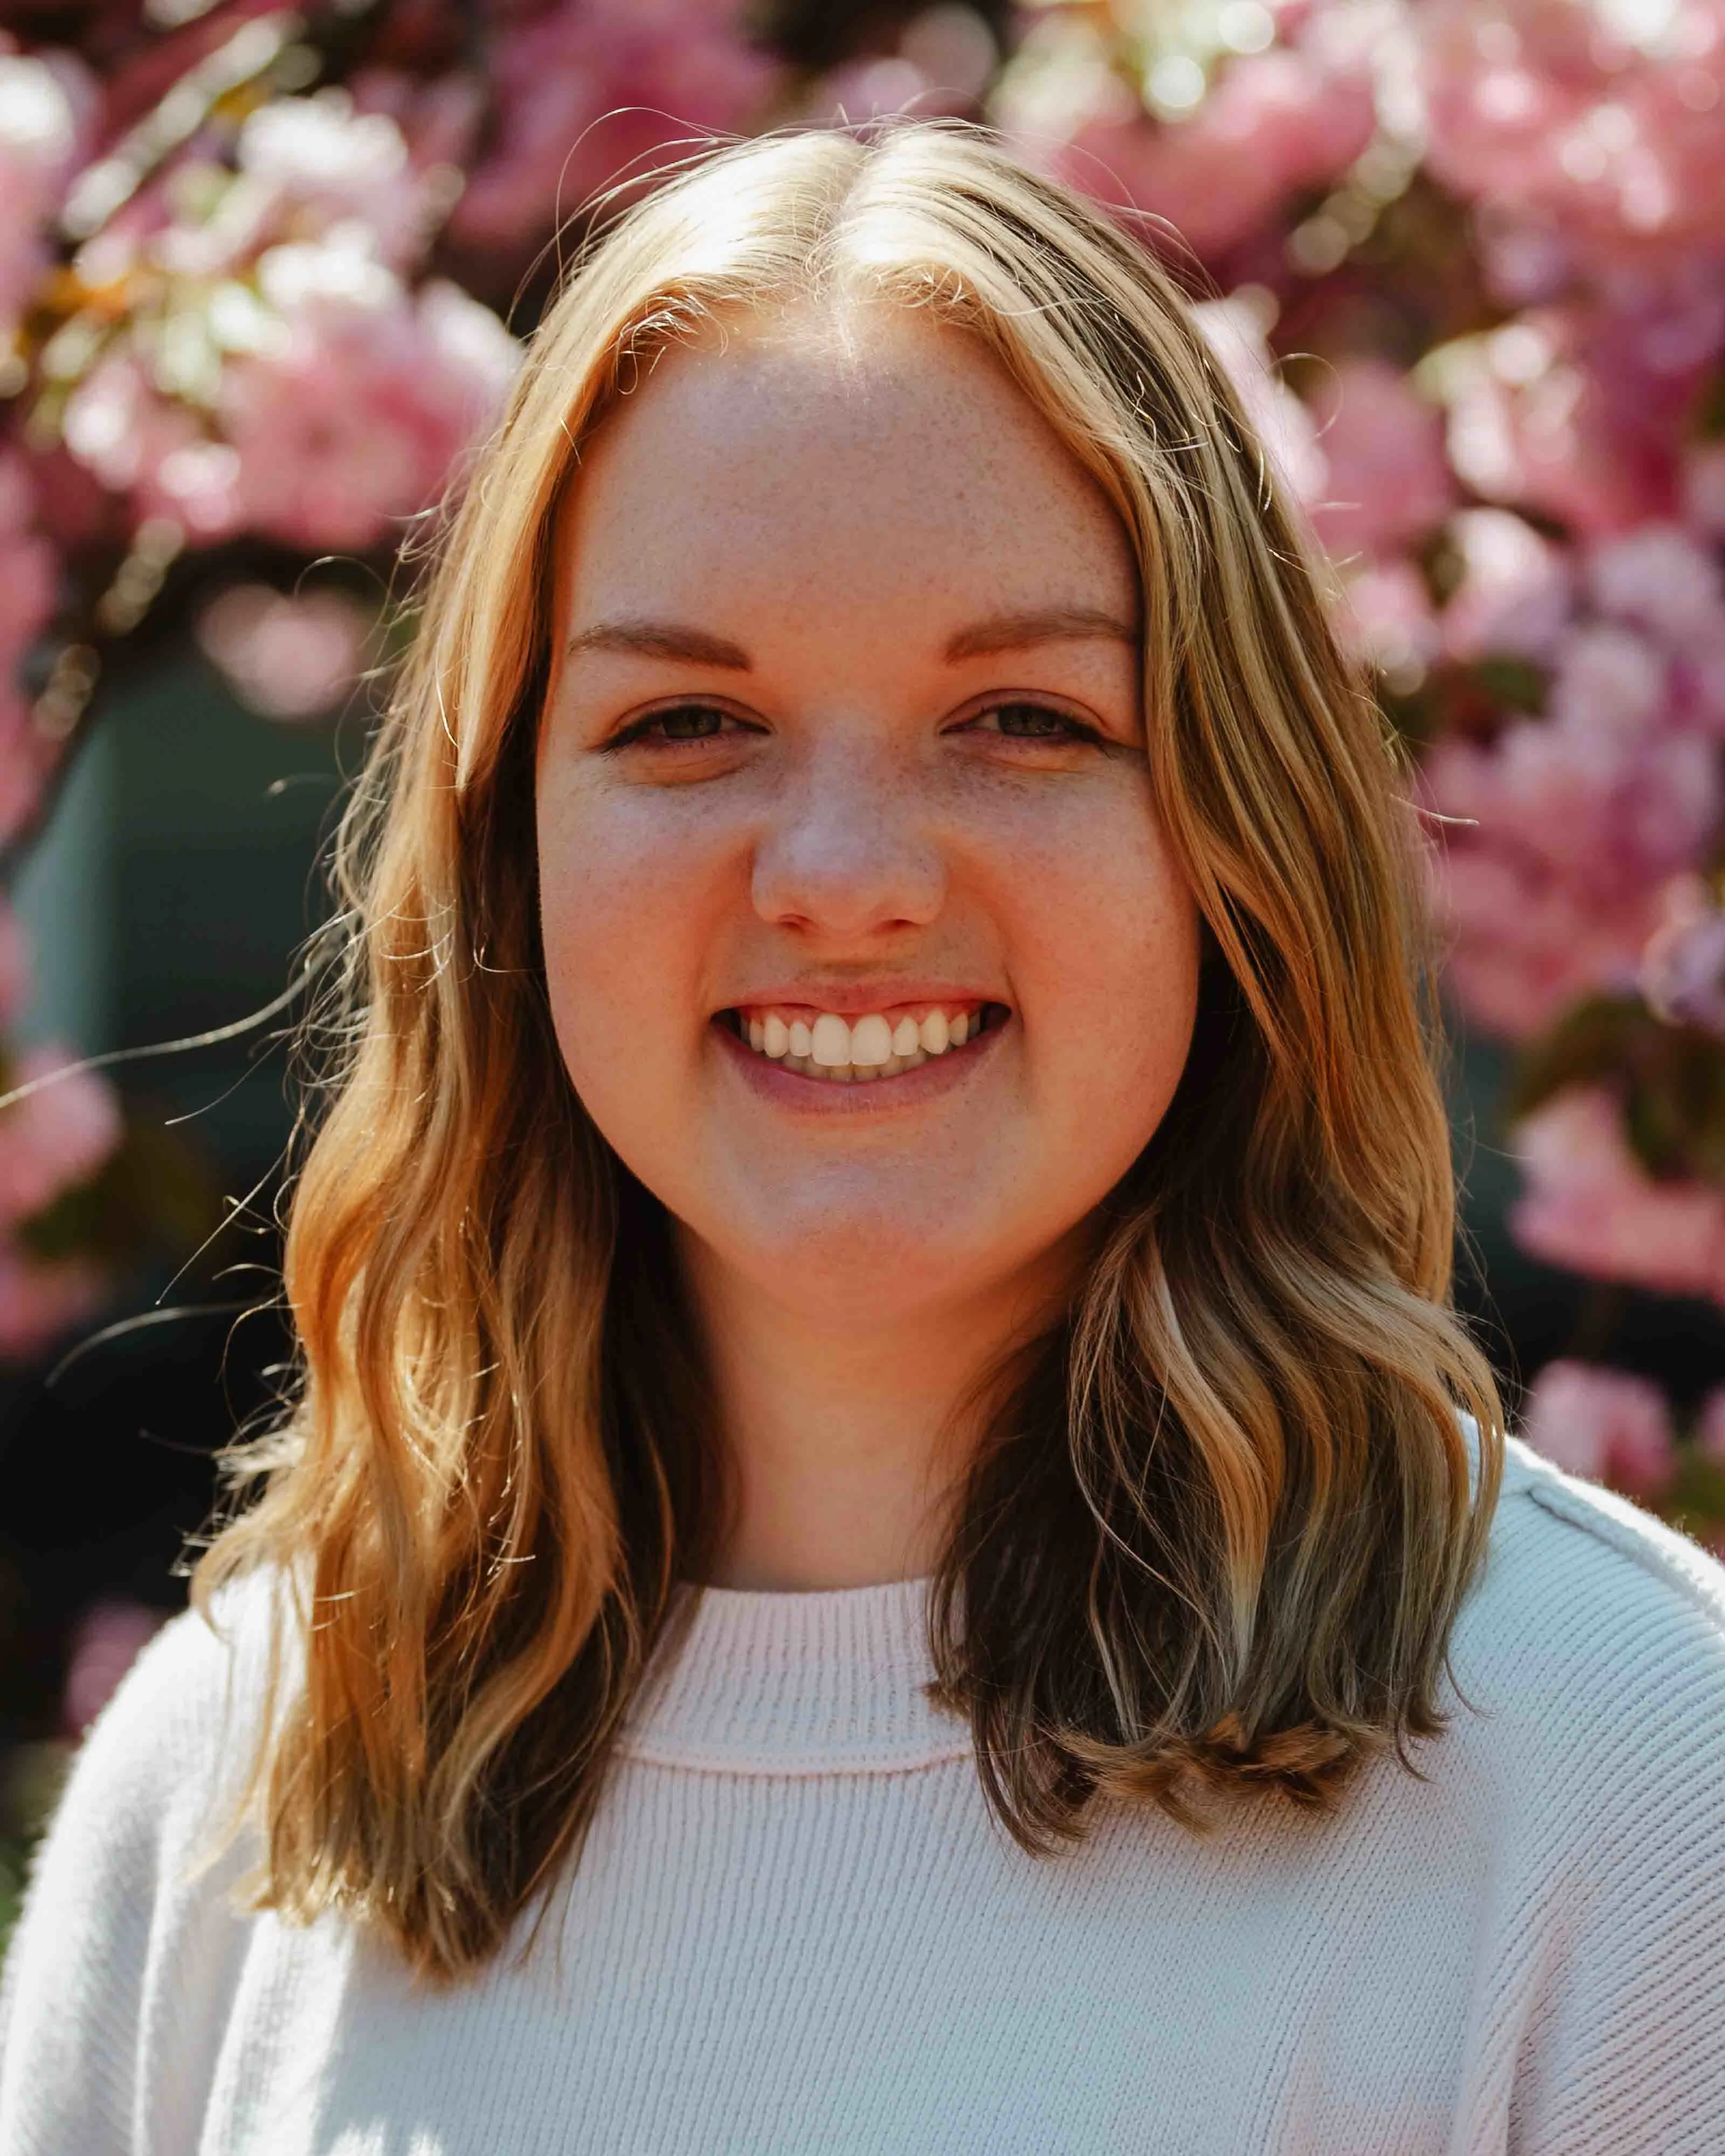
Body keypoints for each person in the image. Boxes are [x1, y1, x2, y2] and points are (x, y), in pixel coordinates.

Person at [3, 120, 1724, 2155]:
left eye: (1023, 720)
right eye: (684, 725)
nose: (839, 878)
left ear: (1233, 842)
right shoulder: (233, 1782)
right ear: (507, 849)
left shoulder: (1625, 1792)